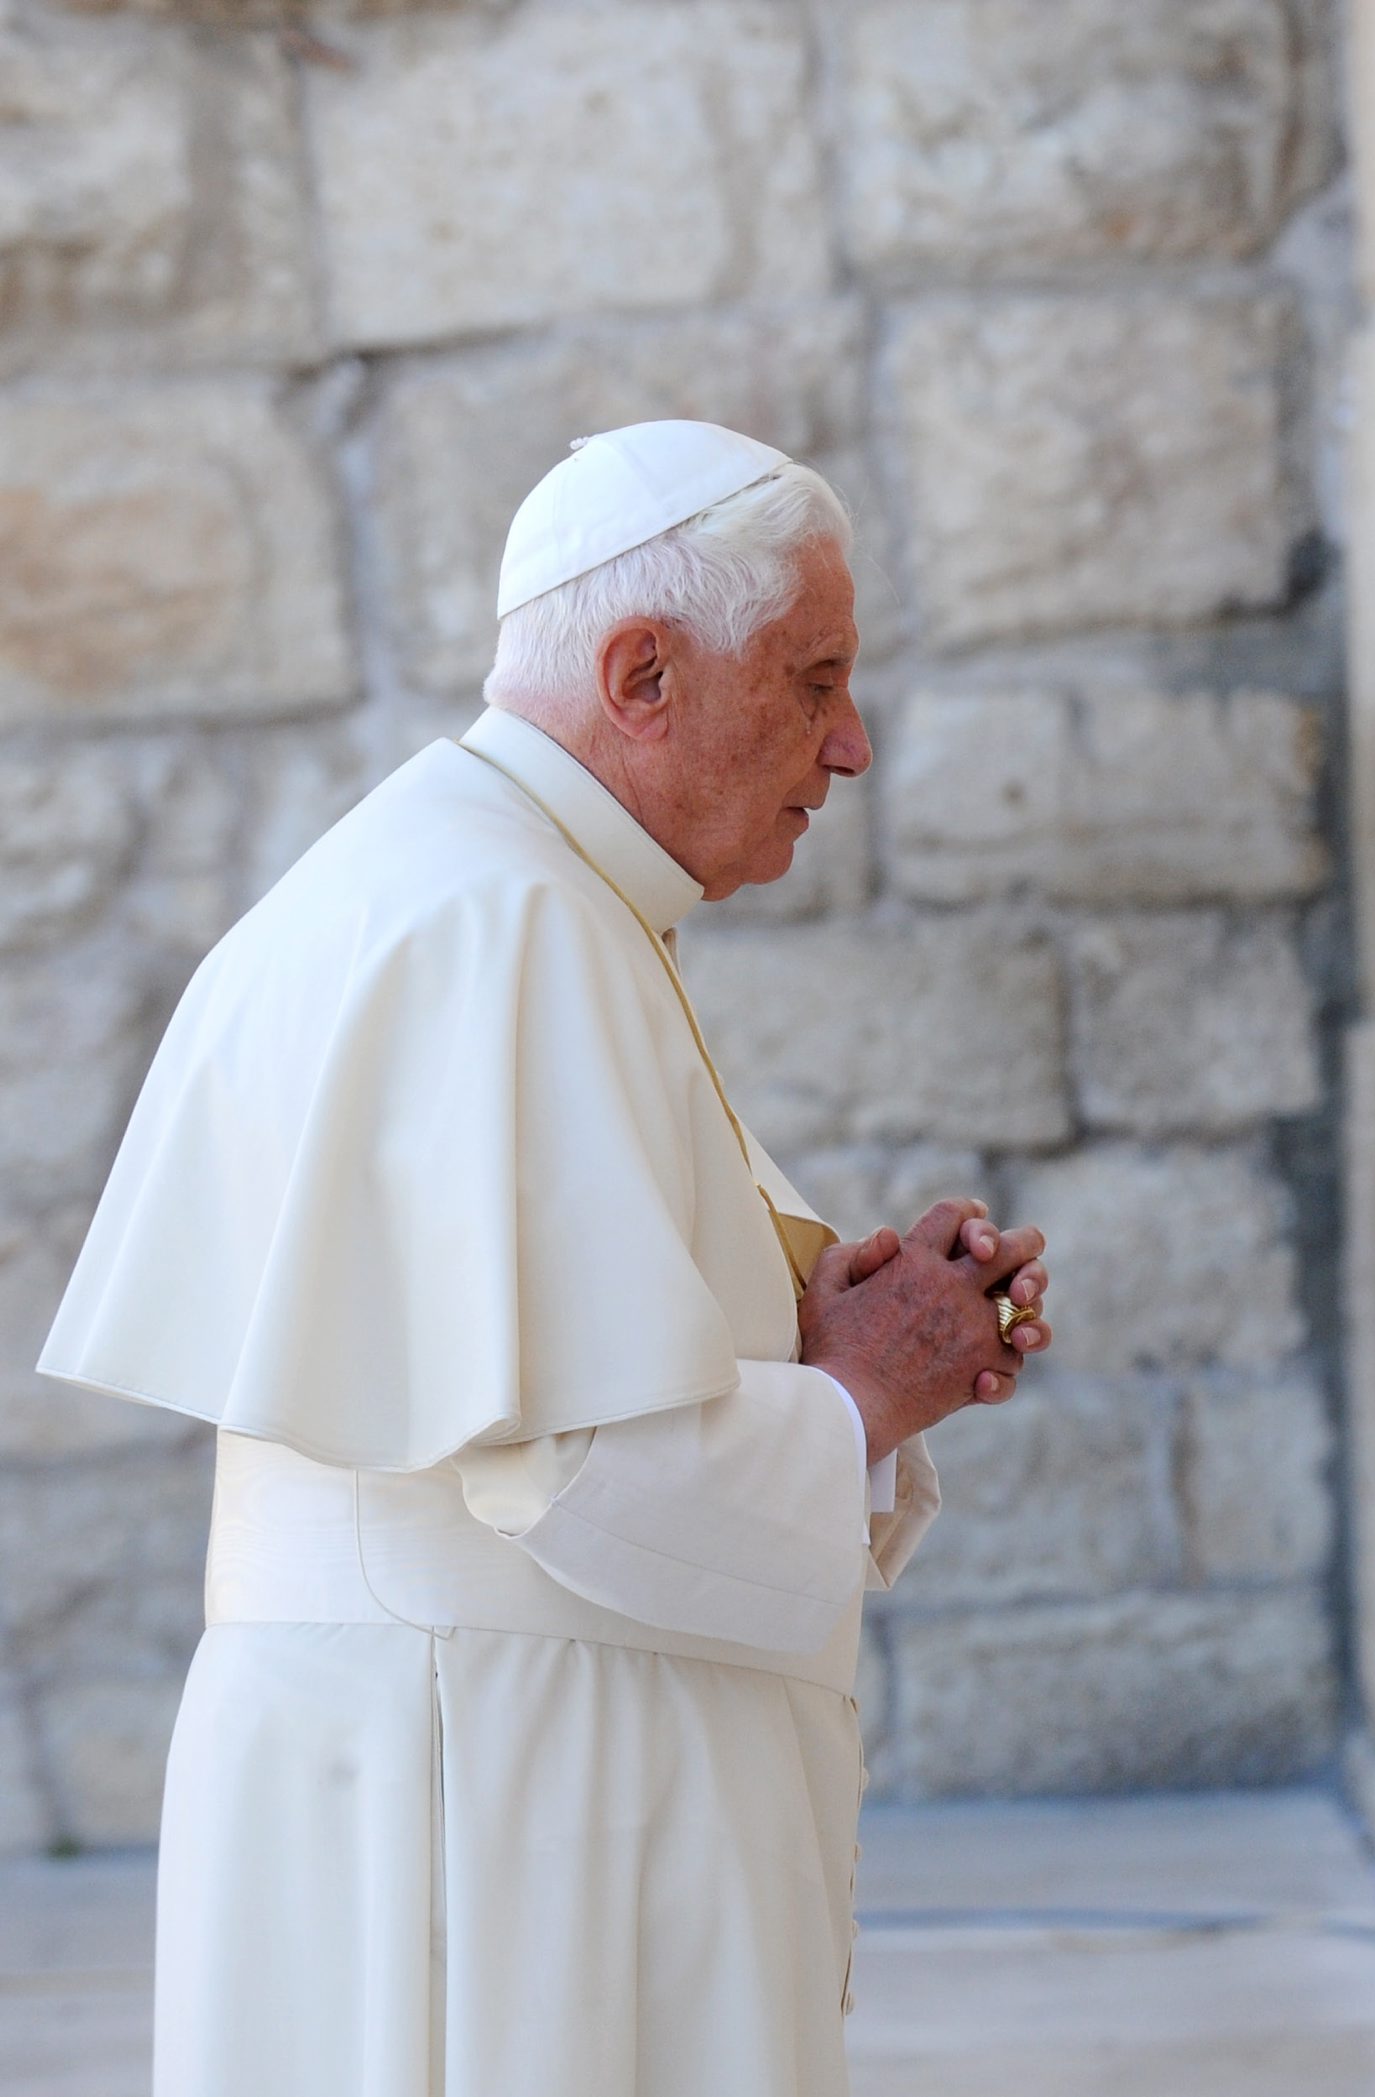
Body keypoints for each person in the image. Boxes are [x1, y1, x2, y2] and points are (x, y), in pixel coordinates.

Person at [38, 421, 1050, 2097]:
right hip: (502, 1815)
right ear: (643, 669)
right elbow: (586, 1475)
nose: (853, 744)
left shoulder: (480, 886)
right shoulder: (503, 920)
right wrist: (861, 1392)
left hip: (466, 1766)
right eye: (813, 680)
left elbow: (532, 1376)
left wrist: (809, 1335)